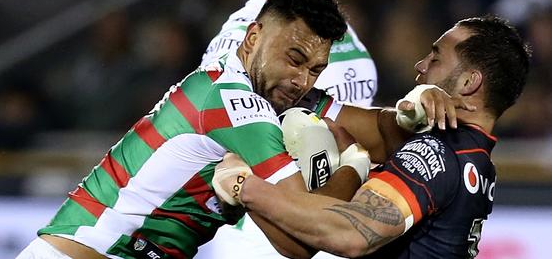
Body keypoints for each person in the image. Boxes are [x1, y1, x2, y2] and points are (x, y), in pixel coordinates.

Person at [16, 0, 348, 259]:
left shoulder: (225, 82)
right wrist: (353, 163)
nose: (302, 81)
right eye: (294, 59)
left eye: (316, 70)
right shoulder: (240, 105)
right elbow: (306, 238)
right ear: (252, 37)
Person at [214, 16, 531, 258]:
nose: (421, 65)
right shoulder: (475, 160)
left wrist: (246, 187)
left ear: (468, 83)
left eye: (435, 58)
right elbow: (379, 129)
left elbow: (353, 232)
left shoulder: (434, 153)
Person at [198, 0, 377, 257]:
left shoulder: (327, 24)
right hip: (264, 241)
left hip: (335, 226)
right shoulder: (242, 42)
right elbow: (223, 158)